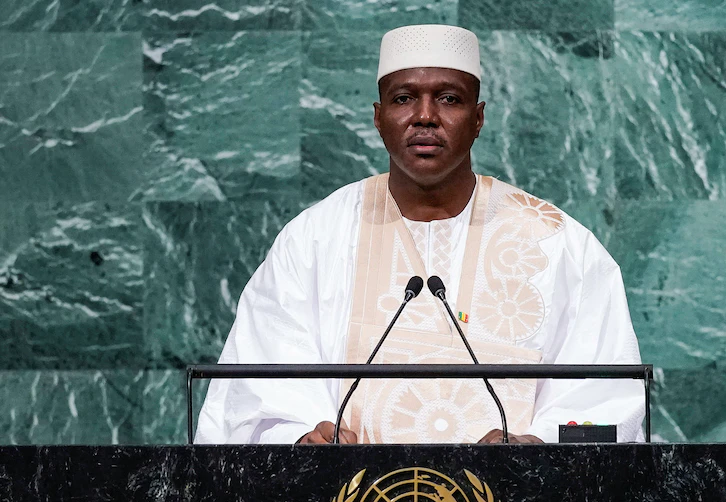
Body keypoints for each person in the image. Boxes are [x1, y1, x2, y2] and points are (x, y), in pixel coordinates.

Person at [195, 24, 644, 445]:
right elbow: (252, 398)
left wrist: (538, 447)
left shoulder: (559, 244)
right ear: (378, 117)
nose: (425, 116)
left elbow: (607, 405)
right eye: (404, 98)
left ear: (478, 118)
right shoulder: (315, 239)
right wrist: (300, 439)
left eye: (449, 98)